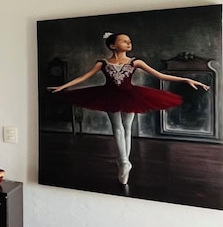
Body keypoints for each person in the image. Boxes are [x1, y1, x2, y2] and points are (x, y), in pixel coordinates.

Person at [48, 31, 209, 185]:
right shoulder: (102, 63)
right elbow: (83, 77)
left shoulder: (135, 62)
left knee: (125, 128)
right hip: (109, 96)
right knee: (119, 128)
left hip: (131, 96)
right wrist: (63, 87)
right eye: (124, 41)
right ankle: (124, 162)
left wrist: (186, 80)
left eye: (129, 41)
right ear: (112, 45)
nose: (128, 43)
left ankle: (124, 162)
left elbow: (160, 75)